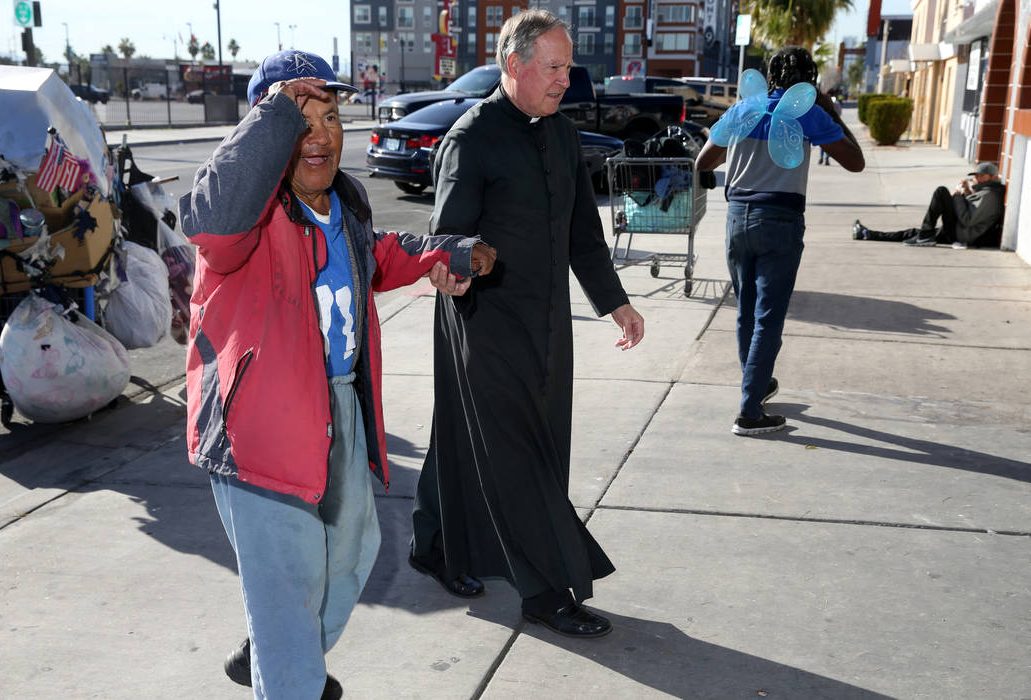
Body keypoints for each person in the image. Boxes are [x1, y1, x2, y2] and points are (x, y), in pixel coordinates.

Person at [178, 49, 496, 699]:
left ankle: (278, 653)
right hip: (259, 430)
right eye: (300, 118)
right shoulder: (243, 216)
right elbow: (210, 222)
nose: (319, 134)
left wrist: (445, 253)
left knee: (352, 554)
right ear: (266, 129)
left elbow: (378, 256)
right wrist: (276, 115)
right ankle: (290, 673)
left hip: (339, 409)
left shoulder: (340, 208)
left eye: (330, 116)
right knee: (290, 591)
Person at [409, 9, 645, 639]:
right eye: (554, 66)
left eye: (569, 67)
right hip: (482, 316)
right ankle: (544, 589)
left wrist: (614, 301)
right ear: (513, 65)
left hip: (547, 321)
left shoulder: (562, 135)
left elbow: (583, 235)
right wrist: (451, 266)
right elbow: (448, 236)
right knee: (516, 451)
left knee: (479, 435)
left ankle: (431, 542)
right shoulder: (471, 136)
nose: (566, 79)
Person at [694, 46, 864, 436]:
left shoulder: (743, 109)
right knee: (768, 317)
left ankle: (757, 382)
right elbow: (855, 161)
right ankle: (750, 412)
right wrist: (828, 108)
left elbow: (704, 161)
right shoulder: (808, 112)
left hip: (737, 219)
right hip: (781, 221)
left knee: (747, 311)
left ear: (769, 78)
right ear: (810, 81)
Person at [852, 162, 1005, 248]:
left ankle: (925, 236)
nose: (978, 178)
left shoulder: (990, 196)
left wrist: (958, 196)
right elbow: (972, 210)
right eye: (976, 175)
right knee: (912, 233)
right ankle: (866, 234)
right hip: (958, 230)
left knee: (941, 192)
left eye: (982, 176)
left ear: (993, 177)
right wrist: (966, 192)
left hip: (961, 234)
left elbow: (968, 220)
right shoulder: (986, 191)